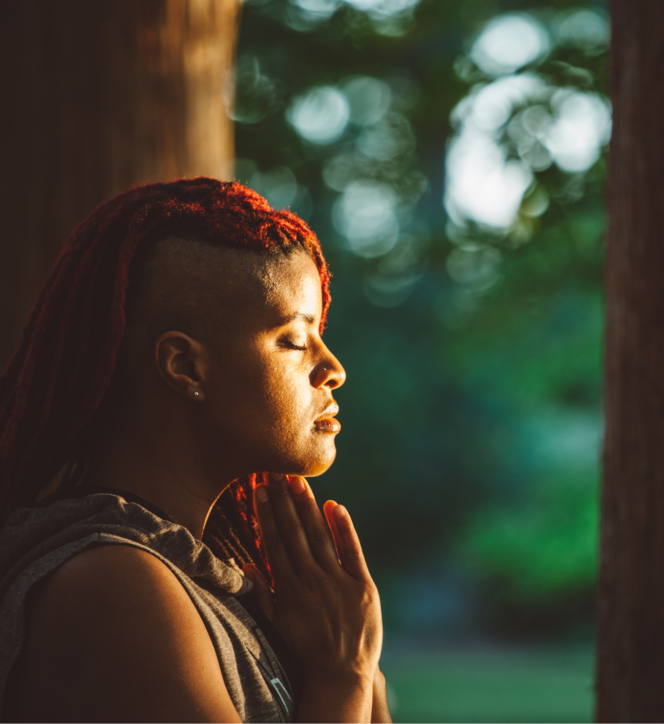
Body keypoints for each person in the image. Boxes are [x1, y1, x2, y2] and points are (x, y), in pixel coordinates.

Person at [0, 177, 391, 722]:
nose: (333, 369)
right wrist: (342, 677)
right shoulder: (113, 587)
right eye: (295, 341)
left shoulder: (224, 581)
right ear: (185, 367)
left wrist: (360, 674)